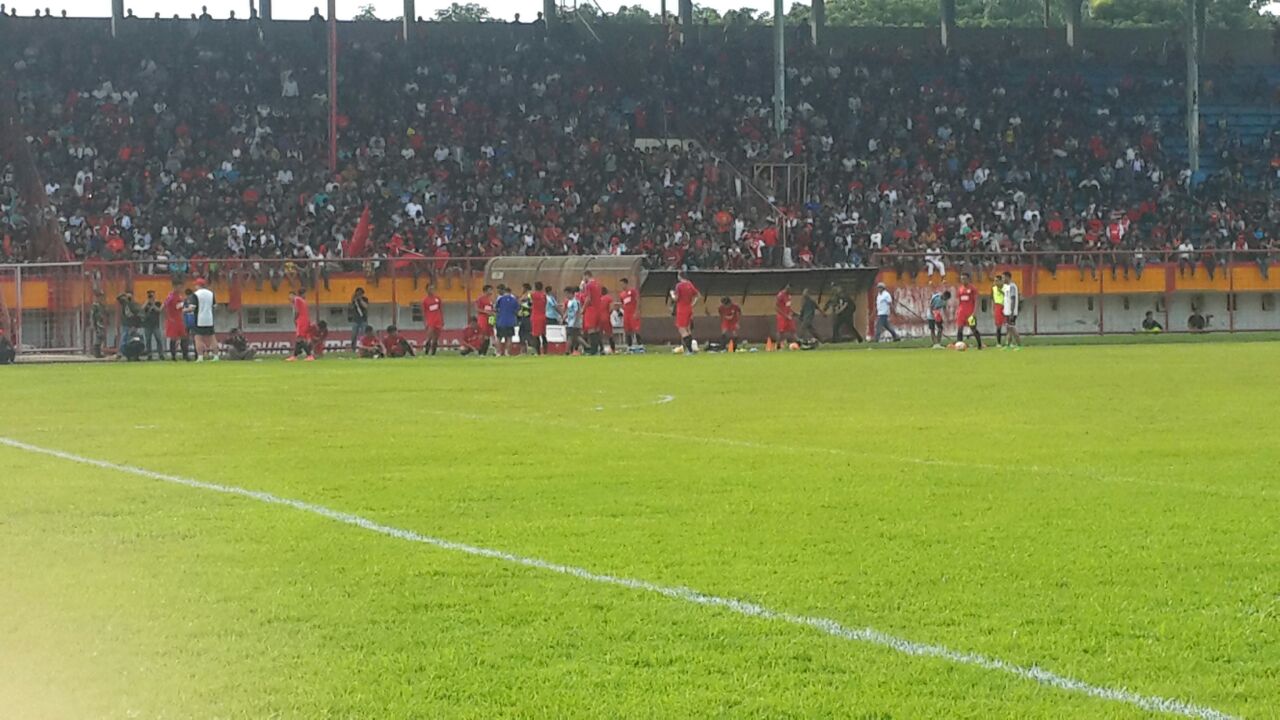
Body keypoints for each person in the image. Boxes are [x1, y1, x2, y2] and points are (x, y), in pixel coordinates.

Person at [670, 270, 700, 354]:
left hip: (681, 309)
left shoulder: (679, 286)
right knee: (688, 329)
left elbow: (676, 298)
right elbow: (697, 295)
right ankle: (691, 348)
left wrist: (672, 294)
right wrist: (692, 304)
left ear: (679, 276)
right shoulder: (689, 284)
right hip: (689, 308)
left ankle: (690, 350)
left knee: (682, 329)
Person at [953, 274, 983, 349]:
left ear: (968, 279)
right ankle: (959, 345)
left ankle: (979, 345)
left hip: (970, 313)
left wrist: (974, 312)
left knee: (973, 328)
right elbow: (958, 301)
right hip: (961, 313)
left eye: (965, 279)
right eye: (962, 279)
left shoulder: (973, 288)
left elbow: (976, 300)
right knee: (960, 328)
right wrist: (957, 311)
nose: (963, 280)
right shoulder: (960, 289)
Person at [162, 281, 190, 361]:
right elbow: (164, 306)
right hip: (173, 321)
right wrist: (168, 317)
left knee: (184, 337)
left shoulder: (180, 296)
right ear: (174, 287)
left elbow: (178, 307)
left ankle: (185, 355)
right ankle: (173, 356)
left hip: (179, 320)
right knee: (173, 338)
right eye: (179, 287)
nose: (180, 288)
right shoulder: (170, 296)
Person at [192, 278, 217, 361]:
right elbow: (215, 306)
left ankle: (200, 357)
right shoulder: (211, 293)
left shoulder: (196, 294)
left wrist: (185, 309)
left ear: (198, 285)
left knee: (198, 338)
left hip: (199, 319)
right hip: (209, 318)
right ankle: (216, 356)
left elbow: (193, 307)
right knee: (212, 338)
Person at [286, 288, 313, 361]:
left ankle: (309, 355)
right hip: (304, 320)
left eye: (290, 296)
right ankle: (294, 356)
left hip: (302, 321)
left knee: (300, 339)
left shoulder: (297, 299)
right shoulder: (303, 301)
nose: (289, 298)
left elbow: (297, 312)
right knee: (298, 339)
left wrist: (294, 319)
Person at [581, 271, 604, 355]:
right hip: (598, 309)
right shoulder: (598, 284)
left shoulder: (589, 285)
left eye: (584, 277)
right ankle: (600, 349)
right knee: (597, 329)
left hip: (591, 309)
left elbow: (588, 298)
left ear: (587, 276)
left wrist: (583, 308)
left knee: (591, 329)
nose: (584, 279)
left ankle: (593, 350)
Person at [493, 285, 520, 356]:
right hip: (510, 321)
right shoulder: (514, 300)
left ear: (505, 291)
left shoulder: (500, 299)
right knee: (509, 337)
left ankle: (498, 352)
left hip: (501, 321)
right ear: (510, 292)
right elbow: (517, 311)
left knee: (499, 337)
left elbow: (495, 309)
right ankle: (507, 352)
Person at [115, 291, 143, 358]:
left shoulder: (135, 305)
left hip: (135, 325)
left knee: (136, 339)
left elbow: (139, 315)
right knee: (124, 339)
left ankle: (136, 353)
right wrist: (124, 296)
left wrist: (135, 326)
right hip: (127, 325)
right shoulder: (125, 304)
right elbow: (118, 298)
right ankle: (122, 352)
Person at [421, 284, 444, 356]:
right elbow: (424, 312)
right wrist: (425, 322)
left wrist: (442, 320)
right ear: (427, 290)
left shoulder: (437, 299)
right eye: (430, 289)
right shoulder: (425, 300)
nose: (432, 290)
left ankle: (433, 354)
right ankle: (426, 352)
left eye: (433, 289)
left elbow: (440, 309)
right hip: (430, 321)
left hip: (438, 320)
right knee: (429, 337)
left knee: (436, 338)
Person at [619, 277, 641, 348]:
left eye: (622, 284)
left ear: (626, 284)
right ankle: (630, 346)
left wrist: (637, 311)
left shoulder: (632, 291)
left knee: (636, 329)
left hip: (633, 312)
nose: (622, 286)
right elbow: (622, 303)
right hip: (626, 314)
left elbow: (637, 300)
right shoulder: (622, 294)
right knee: (627, 330)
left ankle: (640, 345)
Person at [1002, 271, 1022, 349]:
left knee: (1012, 328)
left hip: (1011, 312)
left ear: (1008, 277)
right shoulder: (1006, 287)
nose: (1003, 279)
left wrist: (1012, 312)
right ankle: (1008, 345)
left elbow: (1013, 299)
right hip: (1007, 311)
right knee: (1008, 329)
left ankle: (1019, 345)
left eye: (1004, 277)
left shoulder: (1012, 286)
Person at [474, 284, 495, 355]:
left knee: (488, 335)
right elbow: (477, 308)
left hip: (490, 319)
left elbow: (491, 308)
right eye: (490, 290)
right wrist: (486, 312)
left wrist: (493, 312)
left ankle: (484, 352)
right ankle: (480, 351)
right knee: (482, 334)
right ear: (486, 291)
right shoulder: (480, 299)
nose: (492, 291)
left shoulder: (491, 299)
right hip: (482, 318)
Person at [142, 290, 163, 359]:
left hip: (155, 325)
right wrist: (147, 302)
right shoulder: (146, 303)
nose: (151, 297)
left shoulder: (157, 303)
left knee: (159, 339)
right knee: (148, 340)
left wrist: (153, 304)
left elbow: (159, 310)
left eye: (152, 295)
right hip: (147, 325)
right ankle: (149, 355)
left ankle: (160, 354)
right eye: (150, 295)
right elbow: (141, 310)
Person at [564, 286, 584, 355]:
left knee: (571, 337)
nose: (566, 296)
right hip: (570, 322)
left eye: (567, 294)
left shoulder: (575, 302)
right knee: (576, 337)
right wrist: (564, 317)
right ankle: (588, 347)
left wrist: (576, 321)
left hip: (574, 323)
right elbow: (568, 310)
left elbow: (577, 312)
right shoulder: (570, 302)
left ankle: (567, 351)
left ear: (571, 293)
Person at [530, 281, 548, 355]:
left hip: (535, 316)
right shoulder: (544, 295)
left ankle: (538, 352)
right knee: (543, 335)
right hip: (543, 316)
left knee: (536, 335)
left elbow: (525, 297)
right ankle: (545, 351)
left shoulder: (533, 295)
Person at [598, 286, 617, 354]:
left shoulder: (598, 299)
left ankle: (601, 349)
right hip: (606, 318)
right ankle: (613, 349)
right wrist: (608, 313)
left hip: (598, 318)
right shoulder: (609, 298)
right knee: (609, 334)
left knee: (599, 334)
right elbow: (611, 308)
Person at [90, 290, 107, 358]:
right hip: (97, 323)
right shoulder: (95, 305)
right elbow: (93, 316)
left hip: (101, 323)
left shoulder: (101, 305)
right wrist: (93, 325)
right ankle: (96, 353)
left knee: (101, 337)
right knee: (98, 337)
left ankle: (98, 352)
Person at [991, 276, 1006, 347]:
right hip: (997, 306)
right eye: (995, 281)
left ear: (1001, 281)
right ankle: (998, 343)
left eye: (997, 281)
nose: (995, 282)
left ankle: (1009, 342)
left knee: (1009, 326)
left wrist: (1002, 292)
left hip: (1006, 306)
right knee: (998, 326)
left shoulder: (1006, 288)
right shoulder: (993, 288)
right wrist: (992, 309)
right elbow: (992, 299)